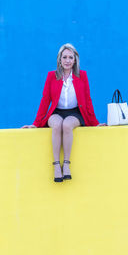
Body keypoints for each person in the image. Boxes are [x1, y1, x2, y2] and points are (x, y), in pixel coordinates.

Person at [22, 43, 106, 182]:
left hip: (75, 112)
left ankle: (66, 164)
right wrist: (36, 124)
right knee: (57, 124)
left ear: (75, 60)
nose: (67, 60)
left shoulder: (82, 76)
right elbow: (45, 100)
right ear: (59, 59)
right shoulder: (51, 76)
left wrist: (95, 123)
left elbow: (87, 99)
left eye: (70, 57)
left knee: (67, 125)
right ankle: (56, 165)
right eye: (64, 57)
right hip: (56, 111)